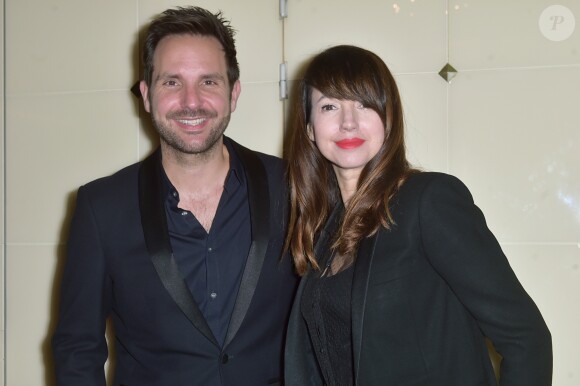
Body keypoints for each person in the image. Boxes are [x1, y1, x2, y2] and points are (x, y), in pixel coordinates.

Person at [52, 6, 298, 386]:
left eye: (208, 82)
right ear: (147, 95)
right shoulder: (101, 208)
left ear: (233, 93)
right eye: (172, 82)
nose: (191, 101)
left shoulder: (292, 186)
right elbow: (76, 348)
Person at [283, 45, 552, 386]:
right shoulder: (323, 228)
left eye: (363, 103)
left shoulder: (429, 200)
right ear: (309, 128)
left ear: (388, 117)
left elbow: (526, 338)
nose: (347, 122)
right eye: (330, 106)